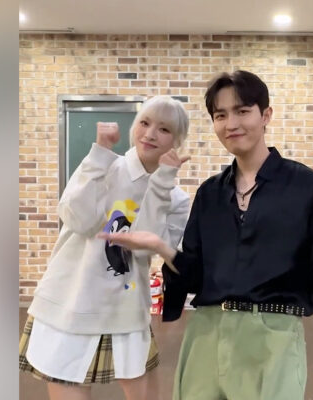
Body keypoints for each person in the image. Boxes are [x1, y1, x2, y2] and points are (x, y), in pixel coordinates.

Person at [99, 70, 313, 400]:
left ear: (265, 115)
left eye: (242, 111)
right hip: (206, 334)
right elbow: (192, 275)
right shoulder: (210, 193)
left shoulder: (305, 186)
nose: (231, 123)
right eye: (220, 115)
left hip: (273, 336)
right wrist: (162, 248)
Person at [19, 95, 191, 400]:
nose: (150, 134)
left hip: (124, 309)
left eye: (164, 129)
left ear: (177, 141)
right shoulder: (105, 166)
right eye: (145, 123)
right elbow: (77, 218)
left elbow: (143, 248)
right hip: (71, 301)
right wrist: (99, 154)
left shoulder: (176, 198)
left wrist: (162, 183)